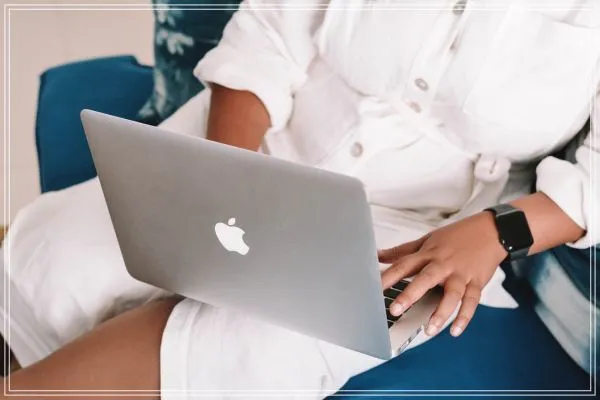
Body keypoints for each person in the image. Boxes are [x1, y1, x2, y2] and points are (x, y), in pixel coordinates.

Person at [3, 0, 599, 398]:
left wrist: (495, 234)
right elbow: (266, 36)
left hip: (422, 232)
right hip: (263, 141)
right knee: (66, 258)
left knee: (251, 349)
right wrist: (223, 176)